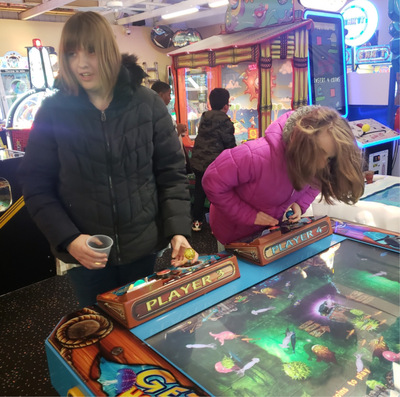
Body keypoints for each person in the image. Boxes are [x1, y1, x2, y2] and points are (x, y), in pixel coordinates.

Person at [18, 11, 198, 308]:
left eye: (91, 50)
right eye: (71, 53)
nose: (82, 63)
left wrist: (178, 230)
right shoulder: (53, 111)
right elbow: (36, 187)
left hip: (143, 247)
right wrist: (69, 239)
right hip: (87, 254)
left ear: (109, 51)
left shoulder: (147, 103)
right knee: (100, 329)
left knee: (142, 325)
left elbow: (171, 173)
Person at [202, 105, 365, 245]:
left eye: (329, 158)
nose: (322, 164)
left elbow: (317, 183)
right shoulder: (255, 156)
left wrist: (300, 204)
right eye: (319, 153)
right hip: (233, 234)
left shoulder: (319, 164)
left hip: (268, 234)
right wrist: (249, 216)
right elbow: (212, 182)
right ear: (300, 140)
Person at [190, 88, 236, 232]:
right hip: (215, 166)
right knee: (216, 194)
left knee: (199, 192)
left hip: (198, 162)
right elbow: (230, 146)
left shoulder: (204, 118)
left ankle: (196, 222)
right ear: (226, 106)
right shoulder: (225, 121)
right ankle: (215, 224)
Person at [151, 80, 190, 172]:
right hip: (170, 165)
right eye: (168, 95)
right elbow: (163, 141)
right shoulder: (155, 115)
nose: (170, 98)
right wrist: (178, 131)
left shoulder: (163, 113)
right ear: (161, 95)